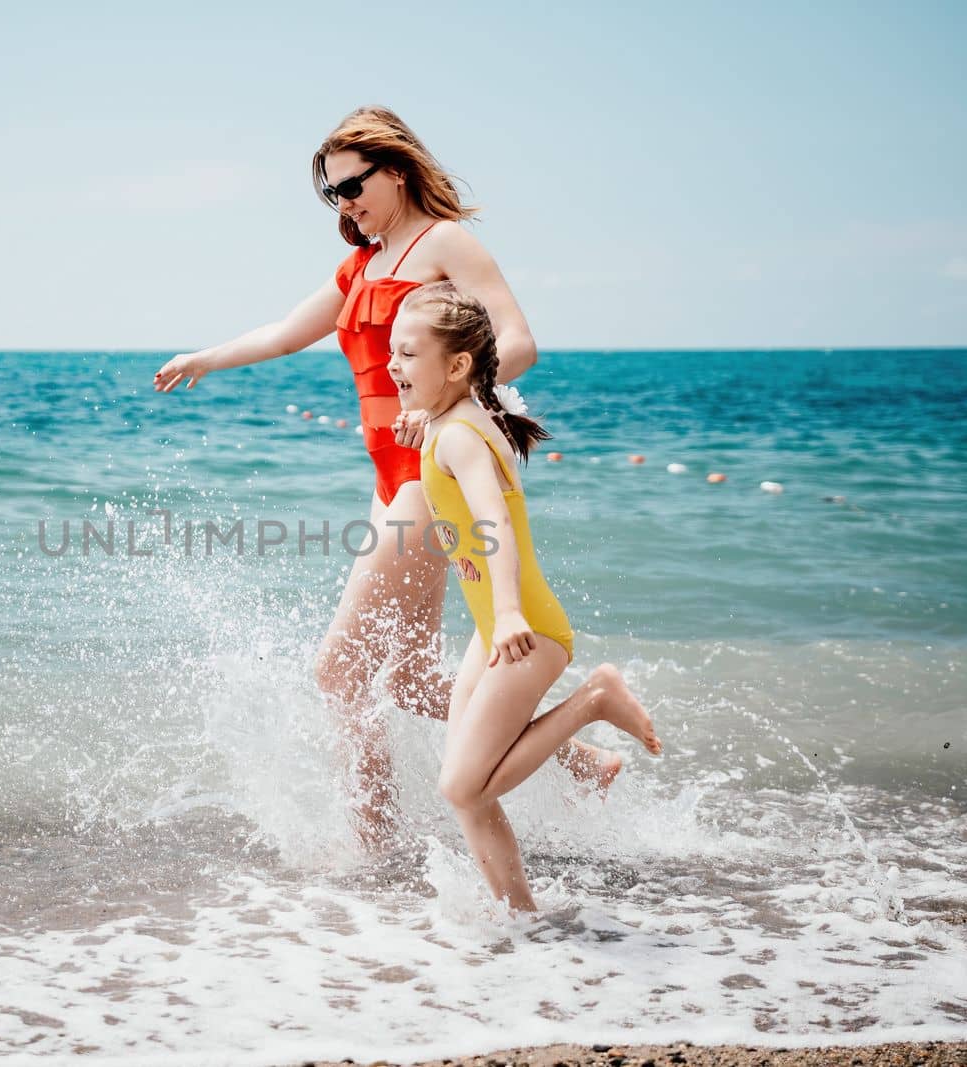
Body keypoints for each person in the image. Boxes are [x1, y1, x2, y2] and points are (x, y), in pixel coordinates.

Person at [153, 106, 629, 849]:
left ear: (396, 170)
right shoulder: (359, 267)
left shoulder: (445, 244)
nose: (344, 203)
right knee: (404, 678)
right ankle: (580, 760)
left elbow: (518, 340)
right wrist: (203, 358)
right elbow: (283, 333)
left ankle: (373, 847)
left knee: (338, 668)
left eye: (353, 184)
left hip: (430, 471)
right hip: (387, 483)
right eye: (331, 194)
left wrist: (454, 406)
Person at [388, 279, 662, 911]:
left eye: (407, 354)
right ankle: (520, 915)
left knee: (463, 788)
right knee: (467, 783)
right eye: (393, 352)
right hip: (494, 629)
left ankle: (595, 699)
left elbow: (494, 523)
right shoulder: (454, 419)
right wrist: (421, 419)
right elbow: (447, 432)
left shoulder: (458, 435)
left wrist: (508, 612)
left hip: (524, 629)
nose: (393, 365)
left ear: (456, 366)